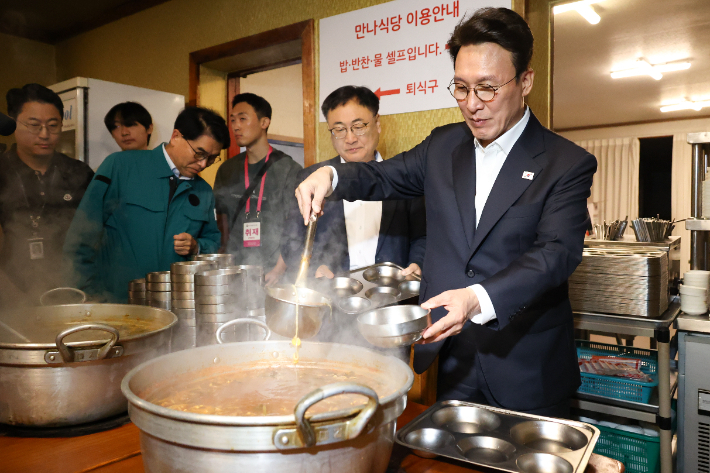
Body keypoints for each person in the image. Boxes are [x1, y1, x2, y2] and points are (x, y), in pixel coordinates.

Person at [294, 7, 597, 417]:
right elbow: (382, 177)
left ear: (525, 81)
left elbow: (555, 254)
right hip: (451, 356)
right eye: (461, 88)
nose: (472, 105)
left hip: (526, 365)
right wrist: (330, 176)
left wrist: (477, 299)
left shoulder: (565, 162)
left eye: (487, 88)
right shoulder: (443, 145)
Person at [64, 106, 228, 302]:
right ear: (176, 136)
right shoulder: (120, 166)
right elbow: (80, 239)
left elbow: (212, 241)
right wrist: (88, 295)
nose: (203, 164)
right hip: (117, 303)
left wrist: (196, 247)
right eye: (199, 153)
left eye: (212, 158)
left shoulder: (203, 191)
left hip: (175, 306)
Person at [282, 86, 425, 281]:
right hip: (332, 292)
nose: (350, 139)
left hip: (392, 291)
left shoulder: (403, 176)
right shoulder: (311, 178)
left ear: (377, 123)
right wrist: (313, 267)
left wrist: (418, 263)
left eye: (358, 127)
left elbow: (422, 235)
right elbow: (290, 239)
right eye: (339, 129)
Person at [0, 84, 94, 306]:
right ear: (13, 123)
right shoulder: (2, 171)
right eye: (34, 125)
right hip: (11, 297)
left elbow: (96, 238)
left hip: (73, 292)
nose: (45, 134)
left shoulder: (79, 173)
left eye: (53, 125)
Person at [213, 93, 302, 286]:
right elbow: (221, 222)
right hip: (235, 271)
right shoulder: (227, 170)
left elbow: (296, 226)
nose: (236, 126)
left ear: (264, 122)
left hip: (274, 274)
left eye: (243, 119)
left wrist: (279, 270)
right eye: (233, 120)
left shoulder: (289, 170)